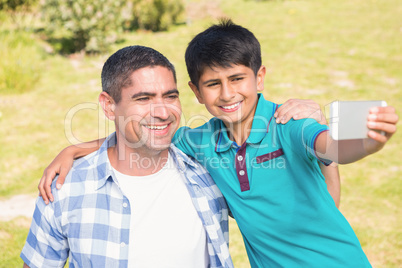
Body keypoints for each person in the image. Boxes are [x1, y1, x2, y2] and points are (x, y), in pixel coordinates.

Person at [38, 20, 398, 266]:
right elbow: (142, 135)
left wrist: (368, 137)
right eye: (213, 84)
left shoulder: (289, 123)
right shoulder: (200, 142)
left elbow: (334, 146)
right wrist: (75, 148)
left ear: (259, 78)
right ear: (196, 91)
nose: (227, 94)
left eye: (238, 78)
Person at [21, 46, 234, 268]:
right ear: (109, 106)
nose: (162, 113)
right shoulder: (67, 188)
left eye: (170, 96)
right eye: (143, 99)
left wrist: (276, 118)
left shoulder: (208, 170)